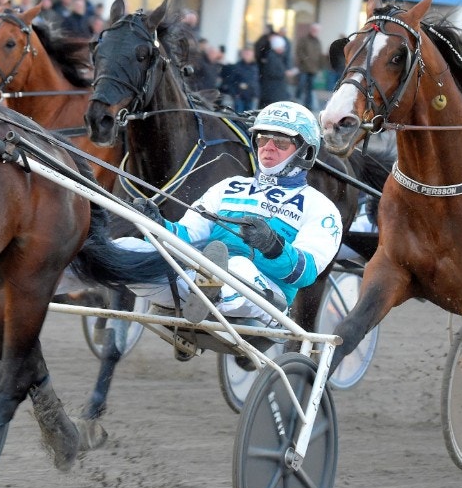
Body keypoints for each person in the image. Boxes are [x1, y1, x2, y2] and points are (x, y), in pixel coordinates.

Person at [113, 101, 342, 325]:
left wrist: (274, 247)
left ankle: (211, 294)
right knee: (126, 247)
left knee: (238, 266)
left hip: (266, 300)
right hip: (197, 281)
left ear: (306, 150)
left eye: (281, 142)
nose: (268, 147)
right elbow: (188, 237)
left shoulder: (320, 207)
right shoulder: (228, 186)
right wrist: (157, 226)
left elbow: (307, 273)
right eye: (262, 139)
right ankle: (84, 271)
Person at [219, 46, 261, 113]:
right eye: (246, 54)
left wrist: (256, 93)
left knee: (249, 117)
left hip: (251, 97)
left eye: (249, 54)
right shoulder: (236, 67)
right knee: (239, 116)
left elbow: (256, 81)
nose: (247, 56)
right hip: (239, 97)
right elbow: (230, 82)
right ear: (242, 54)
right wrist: (235, 94)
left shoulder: (255, 67)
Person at [294, 22, 325, 109]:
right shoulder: (304, 39)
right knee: (301, 85)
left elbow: (319, 55)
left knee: (310, 89)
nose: (315, 31)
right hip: (304, 68)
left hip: (314, 69)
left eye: (317, 30)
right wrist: (305, 60)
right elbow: (299, 51)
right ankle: (296, 101)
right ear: (311, 29)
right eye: (314, 29)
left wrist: (320, 66)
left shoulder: (318, 41)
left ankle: (308, 106)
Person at [258, 34, 291, 106]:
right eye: (282, 47)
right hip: (272, 91)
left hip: (274, 90)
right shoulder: (272, 57)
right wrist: (284, 73)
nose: (283, 48)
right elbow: (272, 72)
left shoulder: (276, 57)